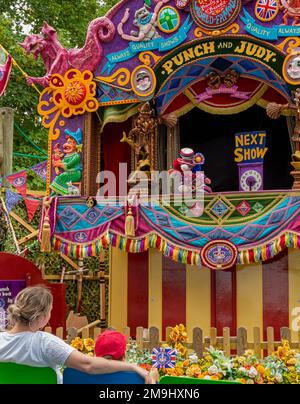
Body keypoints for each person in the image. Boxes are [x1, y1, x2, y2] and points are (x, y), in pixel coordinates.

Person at [0, 286, 150, 384]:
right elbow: (88, 365)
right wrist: (131, 366)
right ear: (40, 317)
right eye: (50, 311)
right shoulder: (44, 343)